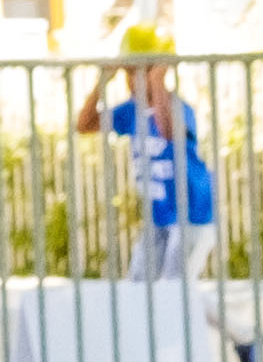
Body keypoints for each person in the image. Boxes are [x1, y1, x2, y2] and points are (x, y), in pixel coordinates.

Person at [76, 30, 219, 286]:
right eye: (128, 73)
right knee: (138, 287)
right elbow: (85, 124)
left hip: (192, 215)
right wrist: (103, 81)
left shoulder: (178, 108)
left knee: (174, 290)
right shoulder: (131, 111)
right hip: (159, 216)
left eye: (136, 72)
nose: (130, 80)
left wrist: (156, 79)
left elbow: (167, 131)